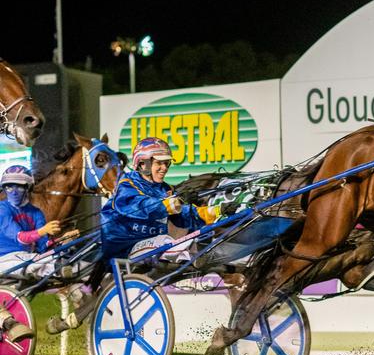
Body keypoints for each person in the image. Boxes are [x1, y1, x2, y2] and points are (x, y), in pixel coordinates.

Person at [46, 137, 218, 334]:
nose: (164, 167)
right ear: (142, 163)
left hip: (149, 245)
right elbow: (136, 207)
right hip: (124, 244)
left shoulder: (164, 189)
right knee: (167, 241)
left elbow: (183, 216)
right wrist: (165, 205)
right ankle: (187, 256)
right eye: (159, 162)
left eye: (166, 162)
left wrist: (209, 213)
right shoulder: (127, 185)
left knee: (180, 235)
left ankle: (75, 318)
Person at [0, 165, 63, 342]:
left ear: (28, 188)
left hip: (28, 259)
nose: (13, 191)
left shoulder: (36, 213)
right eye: (8, 186)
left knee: (57, 257)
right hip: (5, 259)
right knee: (35, 261)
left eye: (19, 186)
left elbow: (44, 246)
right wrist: (43, 231)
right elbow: (21, 238)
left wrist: (59, 240)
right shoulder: (2, 209)